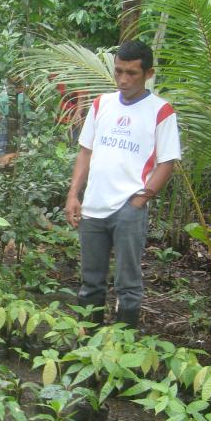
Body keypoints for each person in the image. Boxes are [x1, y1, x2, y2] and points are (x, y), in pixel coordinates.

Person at [64, 40, 181, 328]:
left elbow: (167, 162)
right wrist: (73, 195)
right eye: (119, 72)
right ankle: (88, 351)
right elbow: (85, 151)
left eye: (132, 73)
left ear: (148, 74)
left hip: (128, 210)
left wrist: (139, 201)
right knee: (90, 282)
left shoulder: (161, 111)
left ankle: (121, 352)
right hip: (93, 208)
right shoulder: (101, 104)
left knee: (127, 286)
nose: (123, 80)